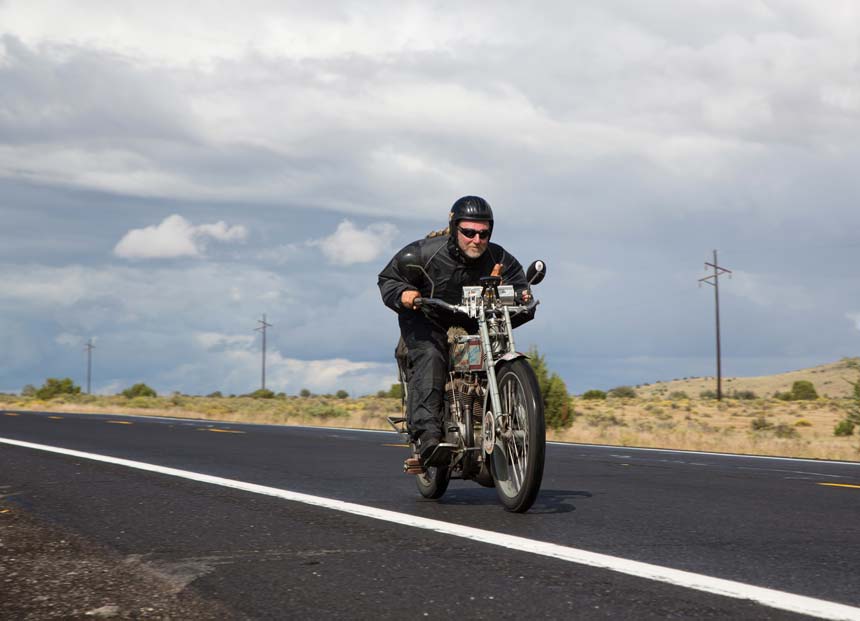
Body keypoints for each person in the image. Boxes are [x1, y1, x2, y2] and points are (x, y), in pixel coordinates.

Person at [377, 196, 535, 466]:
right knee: (431, 355)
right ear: (454, 229)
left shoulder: (499, 258)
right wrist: (404, 293)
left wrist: (523, 296)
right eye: (469, 232)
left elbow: (519, 285)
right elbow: (389, 278)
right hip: (428, 315)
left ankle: (496, 420)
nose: (477, 239)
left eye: (483, 233)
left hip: (475, 318)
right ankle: (428, 440)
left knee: (497, 349)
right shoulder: (423, 254)